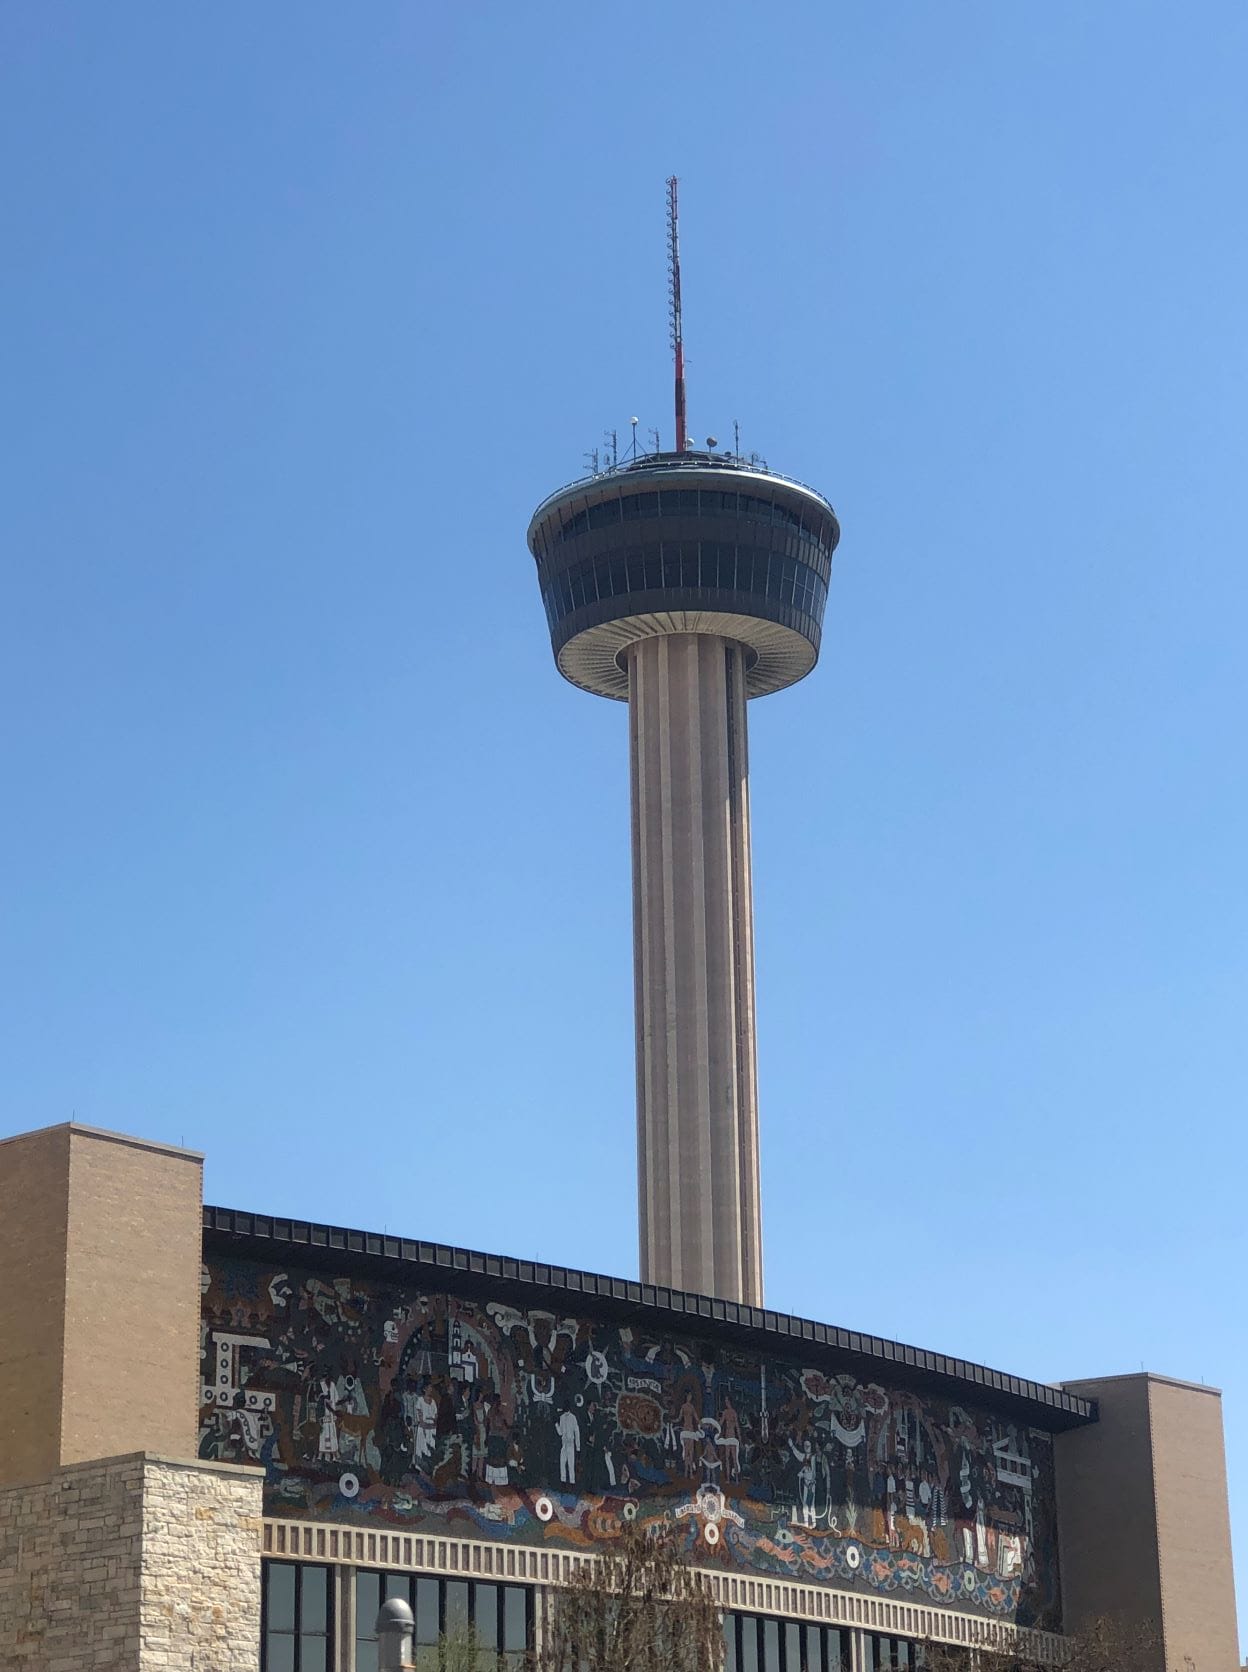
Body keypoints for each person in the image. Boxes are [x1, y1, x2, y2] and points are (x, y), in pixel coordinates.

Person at [557, 1406, 581, 1485]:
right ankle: (563, 1481)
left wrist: (578, 1447)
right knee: (562, 1463)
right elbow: (560, 1433)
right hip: (564, 1443)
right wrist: (556, 1425)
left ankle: (572, 1482)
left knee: (571, 1464)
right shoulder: (561, 1417)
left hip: (570, 1443)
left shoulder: (573, 1418)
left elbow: (576, 1432)